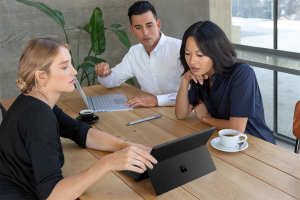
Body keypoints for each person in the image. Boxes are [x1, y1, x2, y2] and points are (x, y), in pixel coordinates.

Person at [0, 37, 157, 200]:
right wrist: (107, 164)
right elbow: (53, 195)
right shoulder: (39, 117)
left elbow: (80, 132)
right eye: (64, 67)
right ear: (41, 76)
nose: (74, 72)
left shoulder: (35, 101)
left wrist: (124, 145)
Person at [175, 21, 276, 144]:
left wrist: (205, 118)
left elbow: (237, 129)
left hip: (256, 145)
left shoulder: (242, 74)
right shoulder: (199, 75)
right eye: (187, 53)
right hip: (225, 143)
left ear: (215, 52)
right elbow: (180, 114)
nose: (192, 61)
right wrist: (184, 81)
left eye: (199, 55)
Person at [94, 1, 183, 107]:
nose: (145, 32)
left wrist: (156, 100)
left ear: (158, 25)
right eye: (138, 27)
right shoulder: (134, 52)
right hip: (149, 113)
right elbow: (113, 80)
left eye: (149, 25)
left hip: (181, 112)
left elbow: (194, 93)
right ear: (132, 29)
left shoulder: (180, 49)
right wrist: (106, 74)